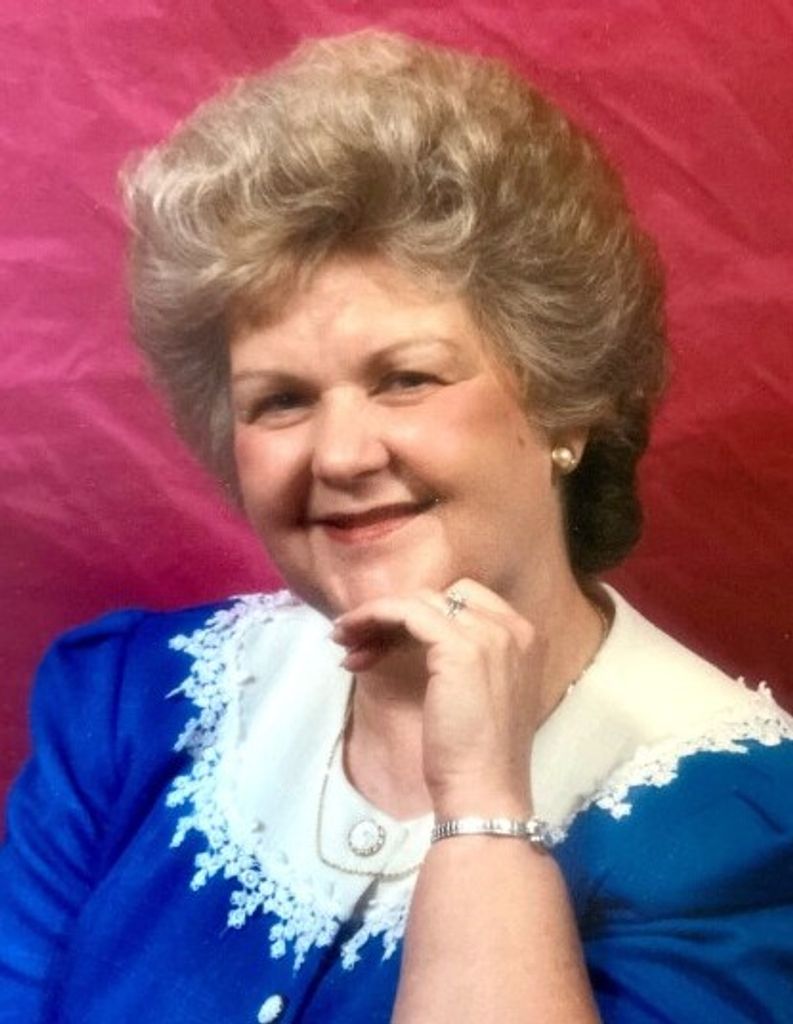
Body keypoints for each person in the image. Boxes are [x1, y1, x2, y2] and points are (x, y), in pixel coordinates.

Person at [1, 29, 792, 1024]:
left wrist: (482, 812)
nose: (339, 455)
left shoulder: (737, 833)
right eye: (281, 400)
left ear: (563, 405)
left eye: (405, 378)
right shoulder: (132, 707)